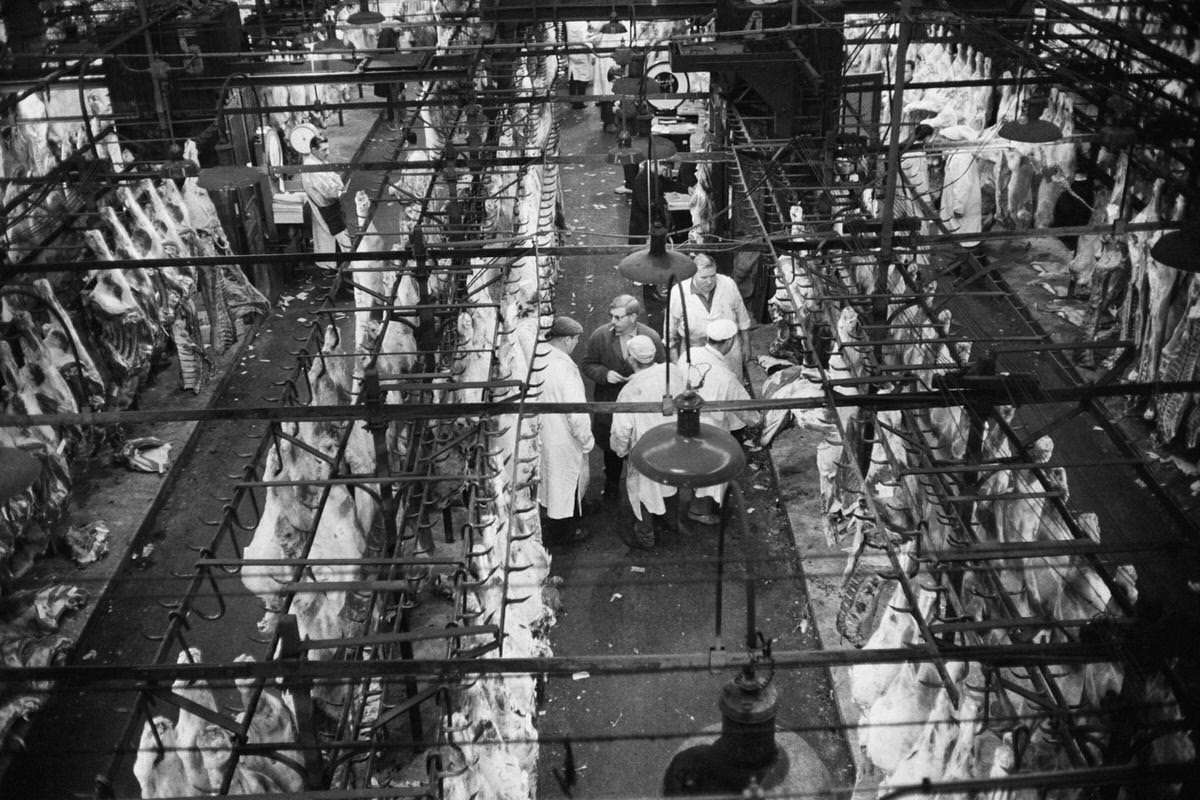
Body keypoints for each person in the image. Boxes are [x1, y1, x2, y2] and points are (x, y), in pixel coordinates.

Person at [580, 295, 665, 500]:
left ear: (633, 317)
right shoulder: (600, 337)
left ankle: (648, 492)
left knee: (643, 448)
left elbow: (662, 370)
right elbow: (588, 364)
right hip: (609, 405)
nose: (613, 322)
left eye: (618, 317)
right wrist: (604, 374)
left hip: (641, 408)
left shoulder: (651, 337)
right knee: (612, 449)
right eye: (612, 316)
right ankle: (612, 483)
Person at [680, 318, 762, 525]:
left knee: (687, 463)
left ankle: (683, 505)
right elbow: (747, 411)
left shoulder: (690, 355)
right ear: (729, 342)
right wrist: (759, 420)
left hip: (683, 420)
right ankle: (700, 511)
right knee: (710, 470)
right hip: (711, 429)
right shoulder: (725, 376)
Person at [610, 335, 688, 548]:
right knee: (671, 484)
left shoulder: (628, 392)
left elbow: (621, 430)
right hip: (673, 443)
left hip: (645, 451)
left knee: (643, 492)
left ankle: (645, 536)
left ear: (631, 359)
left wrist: (620, 450)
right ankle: (672, 523)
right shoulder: (672, 372)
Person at [537, 316, 594, 545]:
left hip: (544, 431)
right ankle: (564, 533)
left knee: (551, 481)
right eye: (576, 340)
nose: (576, 344)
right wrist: (587, 442)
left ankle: (563, 519)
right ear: (567, 339)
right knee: (566, 482)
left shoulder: (540, 357)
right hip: (563, 438)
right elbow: (576, 414)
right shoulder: (566, 369)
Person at [667, 254, 753, 378]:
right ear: (692, 274)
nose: (709, 281)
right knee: (699, 389)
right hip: (694, 349)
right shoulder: (678, 292)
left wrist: (746, 344)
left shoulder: (728, 284)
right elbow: (670, 332)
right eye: (704, 277)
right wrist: (676, 363)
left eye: (713, 276)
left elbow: (742, 316)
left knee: (730, 385)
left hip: (728, 350)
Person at [301, 134, 352, 274]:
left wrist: (339, 186)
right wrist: (340, 190)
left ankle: (338, 268)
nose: (327, 153)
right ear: (313, 150)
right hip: (326, 207)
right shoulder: (311, 167)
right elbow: (328, 191)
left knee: (338, 239)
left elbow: (334, 177)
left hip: (330, 205)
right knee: (339, 240)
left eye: (328, 149)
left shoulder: (318, 161)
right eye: (324, 150)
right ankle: (337, 271)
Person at [591, 14, 627, 134]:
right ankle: (610, 123)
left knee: (612, 93)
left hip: (610, 65)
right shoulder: (622, 31)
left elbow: (593, 41)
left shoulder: (602, 33)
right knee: (609, 94)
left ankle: (614, 121)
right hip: (610, 66)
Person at [564, 20, 593, 110]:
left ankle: (572, 98)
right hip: (582, 52)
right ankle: (579, 102)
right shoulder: (583, 24)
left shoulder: (568, 23)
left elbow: (565, 37)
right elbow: (585, 40)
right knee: (583, 79)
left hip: (572, 51)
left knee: (573, 76)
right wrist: (592, 52)